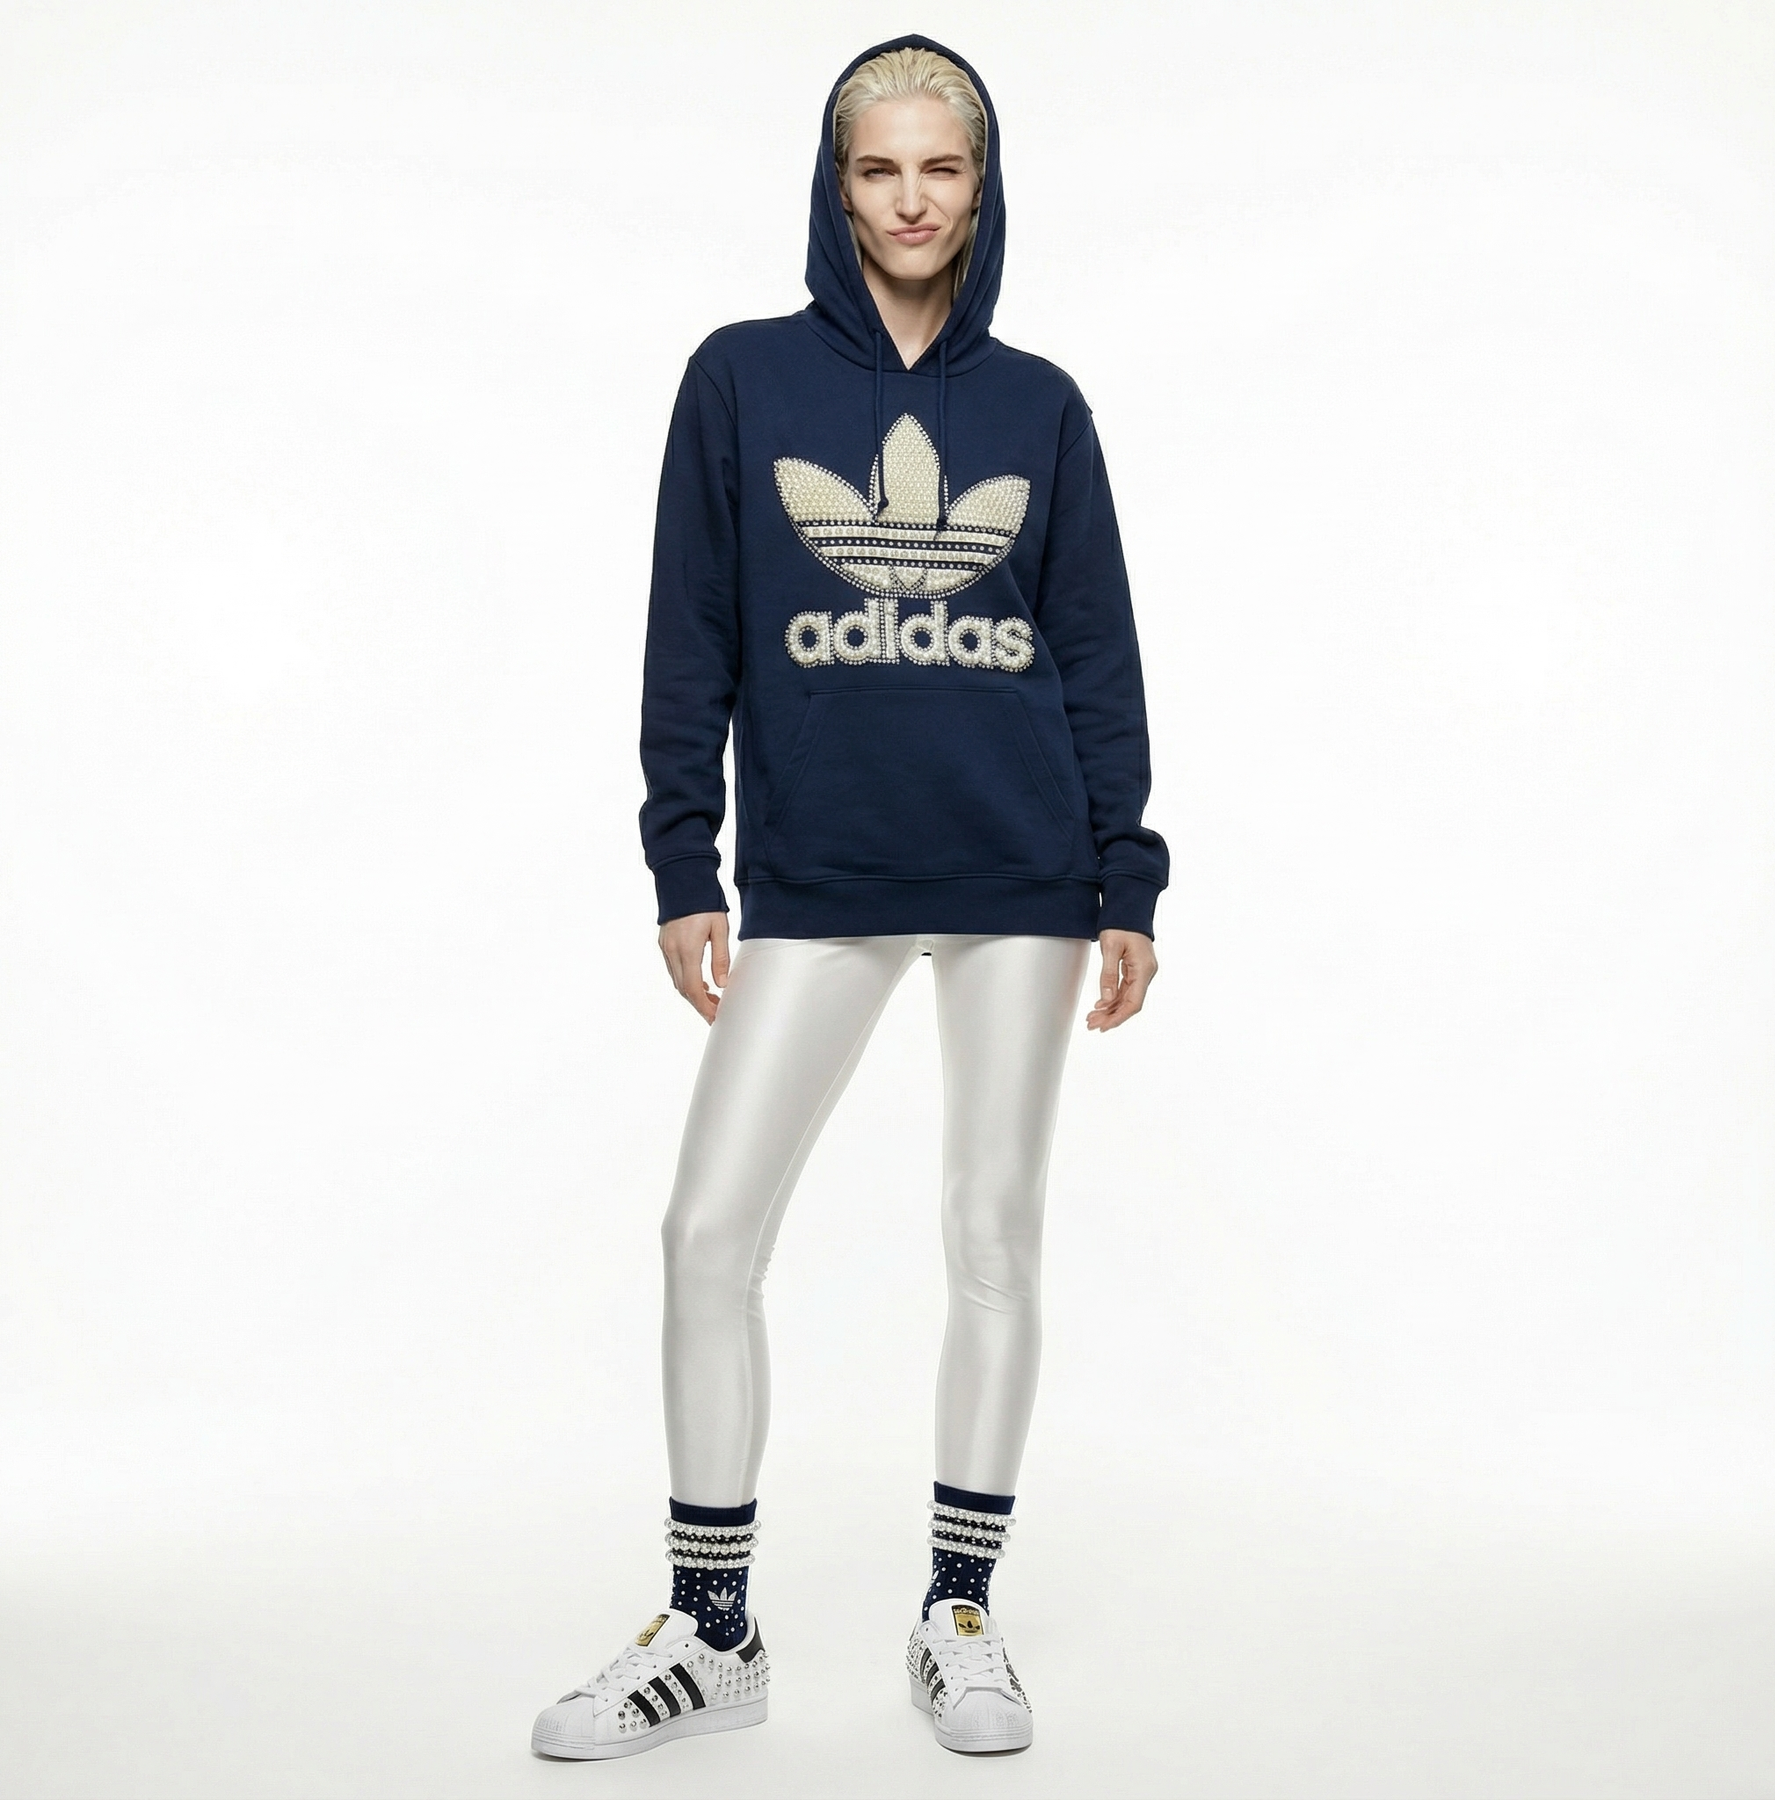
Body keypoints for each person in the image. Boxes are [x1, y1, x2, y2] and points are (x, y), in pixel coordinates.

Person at [531, 32, 1169, 1762]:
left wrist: (1126, 871)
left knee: (992, 1232)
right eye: (879, 169)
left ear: (983, 186)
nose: (911, 200)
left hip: (1024, 869)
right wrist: (684, 855)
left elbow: (1095, 649)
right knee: (708, 1234)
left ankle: (959, 1608)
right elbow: (690, 632)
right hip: (818, 870)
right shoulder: (740, 380)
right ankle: (712, 1631)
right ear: (837, 186)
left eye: (941, 169)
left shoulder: (1041, 406)